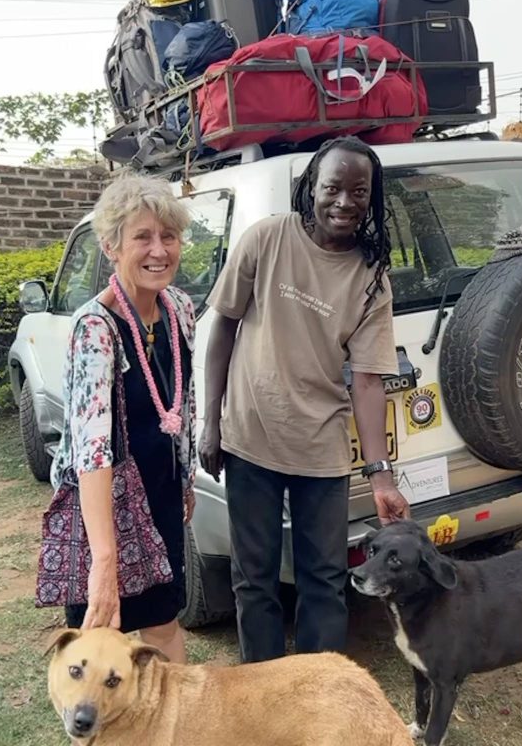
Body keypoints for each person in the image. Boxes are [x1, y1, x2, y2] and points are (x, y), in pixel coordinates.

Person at [200, 136, 410, 663]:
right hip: (251, 437)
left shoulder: (370, 276)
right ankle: (262, 689)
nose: (344, 201)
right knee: (255, 579)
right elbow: (222, 326)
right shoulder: (266, 239)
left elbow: (367, 381)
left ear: (372, 198)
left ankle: (317, 693)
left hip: (321, 449)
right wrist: (210, 423)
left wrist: (380, 475)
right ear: (310, 188)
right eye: (333, 187)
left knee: (324, 580)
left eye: (358, 192)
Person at [49, 175, 196, 664]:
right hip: (104, 501)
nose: (159, 250)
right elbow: (91, 448)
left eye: (168, 236)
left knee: (163, 621)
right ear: (112, 246)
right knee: (100, 634)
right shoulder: (96, 328)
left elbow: (183, 404)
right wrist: (104, 558)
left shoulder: (179, 309)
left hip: (161, 492)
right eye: (142, 236)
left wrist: (187, 478)